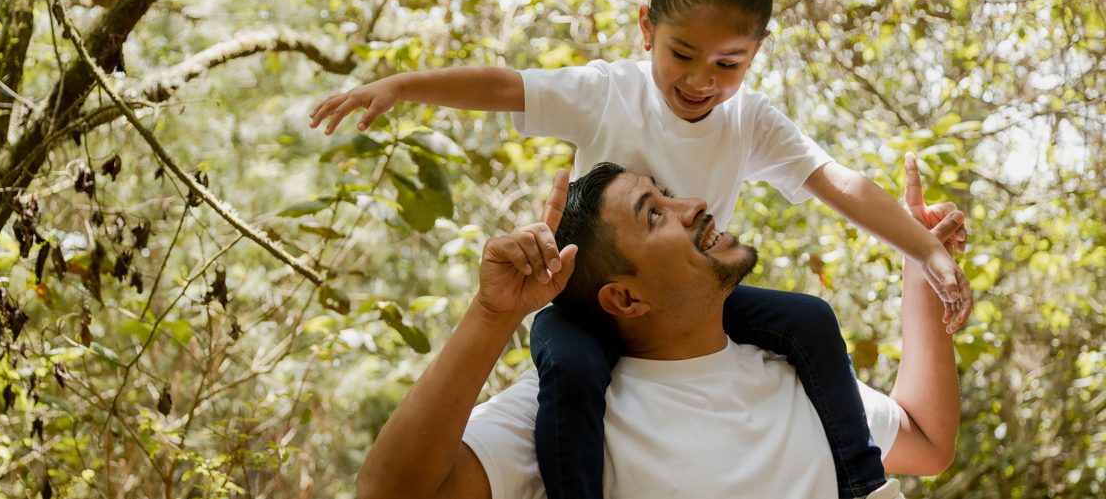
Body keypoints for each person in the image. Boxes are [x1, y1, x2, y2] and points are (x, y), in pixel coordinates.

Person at [312, 0, 971, 497]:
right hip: (581, 303)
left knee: (811, 318)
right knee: (568, 366)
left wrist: (924, 251)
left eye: (727, 64)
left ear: (756, 54)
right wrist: (402, 86)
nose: (700, 81)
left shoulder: (750, 123)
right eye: (682, 54)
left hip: (684, 303)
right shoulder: (605, 92)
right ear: (646, 29)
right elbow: (505, 86)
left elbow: (839, 181)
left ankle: (860, 477)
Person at [357, 161, 962, 499]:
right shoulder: (572, 412)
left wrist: (919, 266)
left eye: (668, 195)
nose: (694, 203)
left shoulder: (796, 369)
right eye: (655, 213)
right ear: (624, 297)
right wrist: (493, 315)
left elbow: (927, 444)